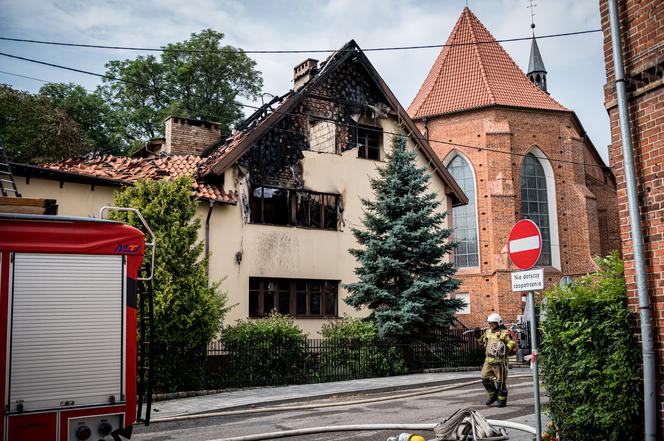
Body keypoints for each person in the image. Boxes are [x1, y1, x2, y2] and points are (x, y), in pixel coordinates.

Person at [474, 313, 515, 407]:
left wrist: (506, 349)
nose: (491, 325)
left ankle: (502, 400)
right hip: (488, 361)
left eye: (493, 323)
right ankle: (493, 395)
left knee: (501, 382)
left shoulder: (505, 333)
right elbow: (481, 341)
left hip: (500, 363)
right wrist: (477, 335)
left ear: (499, 323)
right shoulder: (487, 332)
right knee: (484, 378)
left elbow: (512, 342)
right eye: (490, 323)